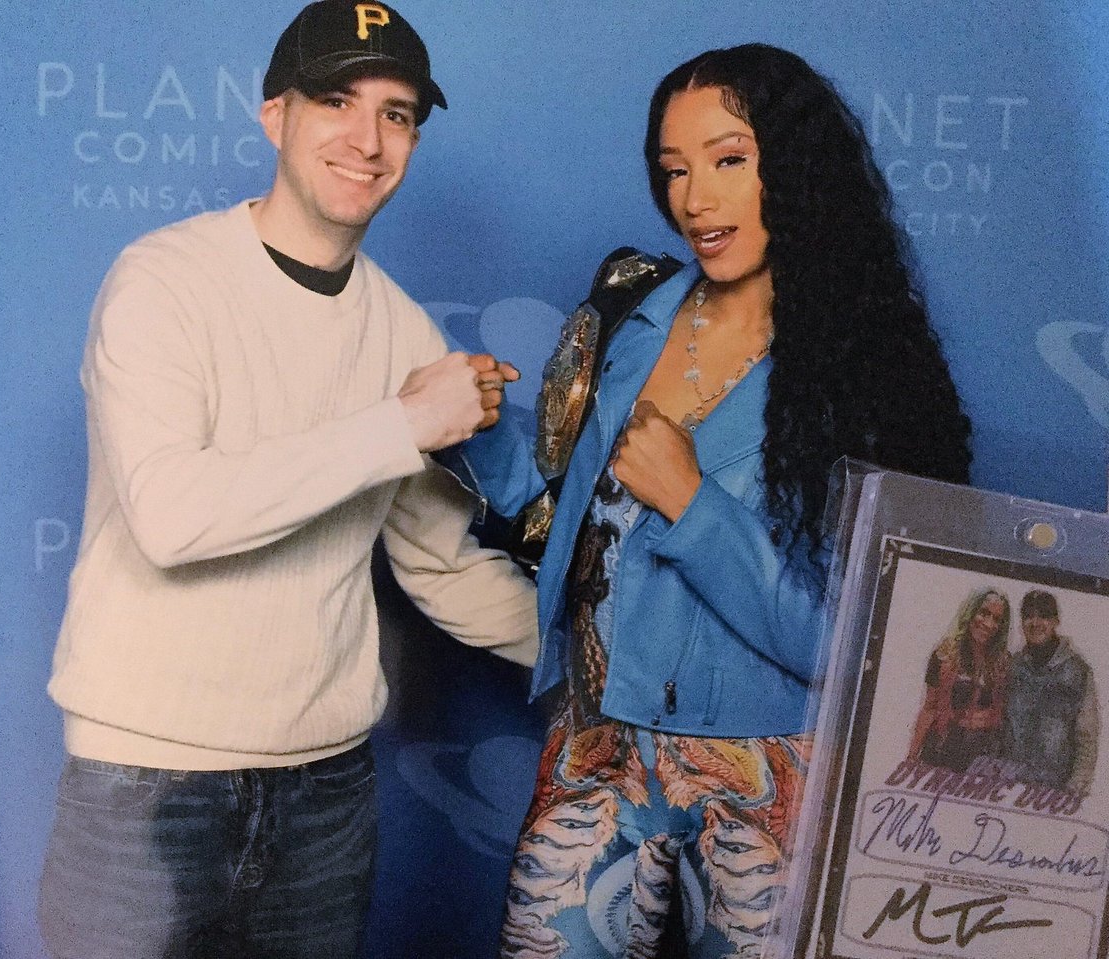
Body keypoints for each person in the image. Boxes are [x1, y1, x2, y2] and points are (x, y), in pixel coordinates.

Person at [37, 3, 538, 957]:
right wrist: (403, 424)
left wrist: (604, 658)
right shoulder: (163, 281)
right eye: (338, 100)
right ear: (276, 116)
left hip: (324, 795)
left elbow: (438, 566)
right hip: (145, 786)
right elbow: (173, 515)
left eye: (398, 114)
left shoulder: (404, 333)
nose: (368, 138)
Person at [461, 44, 972, 959]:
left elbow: (851, 640)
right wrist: (477, 425)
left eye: (729, 160)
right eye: (675, 170)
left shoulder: (869, 373)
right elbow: (558, 517)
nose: (695, 199)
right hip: (599, 748)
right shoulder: (632, 318)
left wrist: (693, 504)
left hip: (771, 770)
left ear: (797, 167)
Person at [1004, 590, 1099, 793]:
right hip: (1009, 787)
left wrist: (1074, 790)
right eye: (1029, 615)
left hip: (1053, 794)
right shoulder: (1012, 667)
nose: (1036, 622)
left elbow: (1087, 738)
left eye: (1044, 616)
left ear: (1055, 621)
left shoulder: (1078, 671)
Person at [908, 588, 1011, 773]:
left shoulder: (1005, 663)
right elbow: (929, 708)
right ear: (971, 612)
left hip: (982, 756)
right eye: (984, 613)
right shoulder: (944, 654)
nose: (988, 623)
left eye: (997, 619)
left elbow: (1004, 717)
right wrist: (911, 757)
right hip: (942, 747)